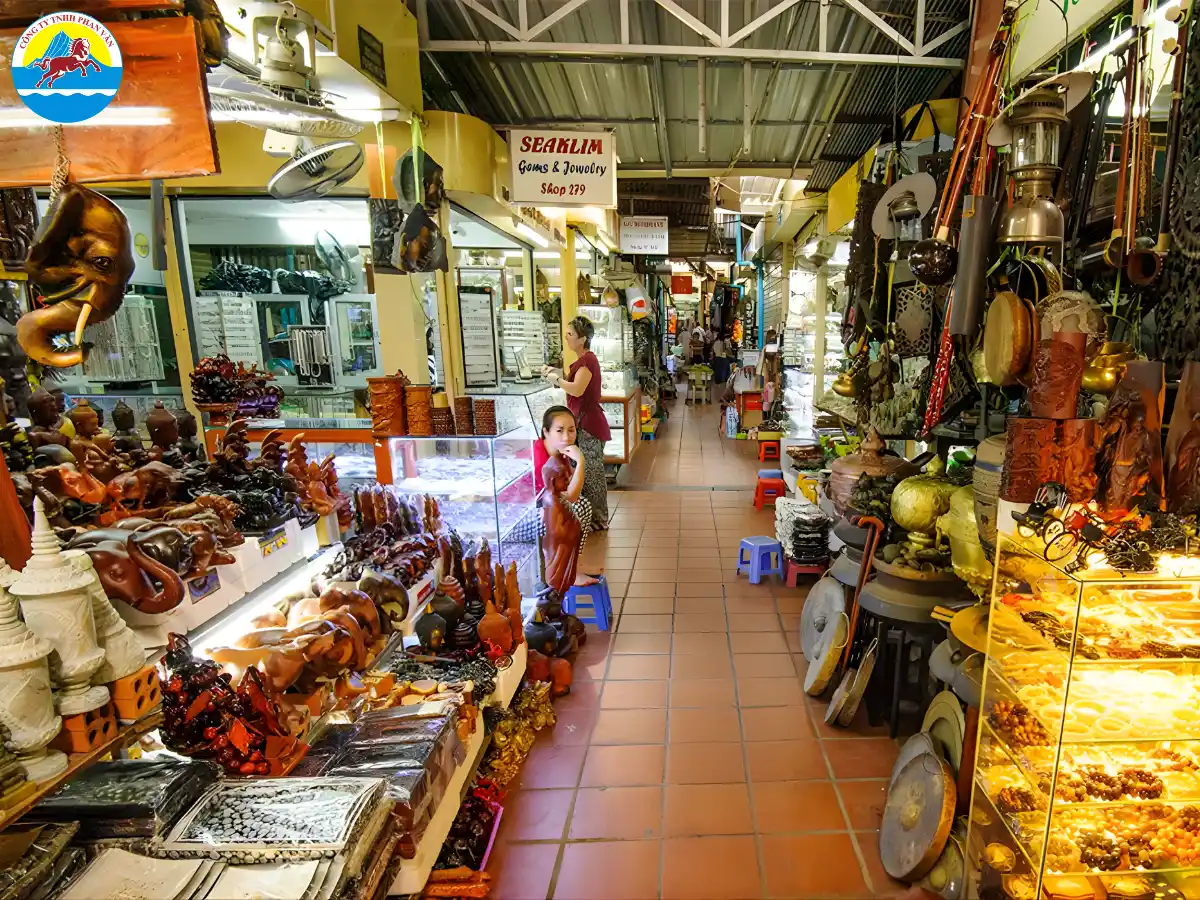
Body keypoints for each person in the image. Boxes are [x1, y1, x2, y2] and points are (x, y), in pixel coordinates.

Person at [511, 406, 599, 585]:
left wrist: (576, 464)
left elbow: (571, 490)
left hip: (540, 511)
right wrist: (581, 461)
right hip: (515, 521)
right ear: (546, 431)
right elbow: (569, 499)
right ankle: (566, 572)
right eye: (559, 431)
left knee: (582, 506)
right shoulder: (539, 459)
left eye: (571, 430)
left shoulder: (558, 454)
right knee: (577, 508)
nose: (566, 437)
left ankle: (571, 567)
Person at [542, 316, 610, 529]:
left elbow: (577, 389)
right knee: (584, 472)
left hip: (589, 425)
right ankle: (587, 519)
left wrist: (557, 380)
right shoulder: (583, 361)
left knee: (591, 474)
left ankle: (598, 520)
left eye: (570, 334)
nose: (566, 338)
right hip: (582, 423)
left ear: (582, 339)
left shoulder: (588, 360)